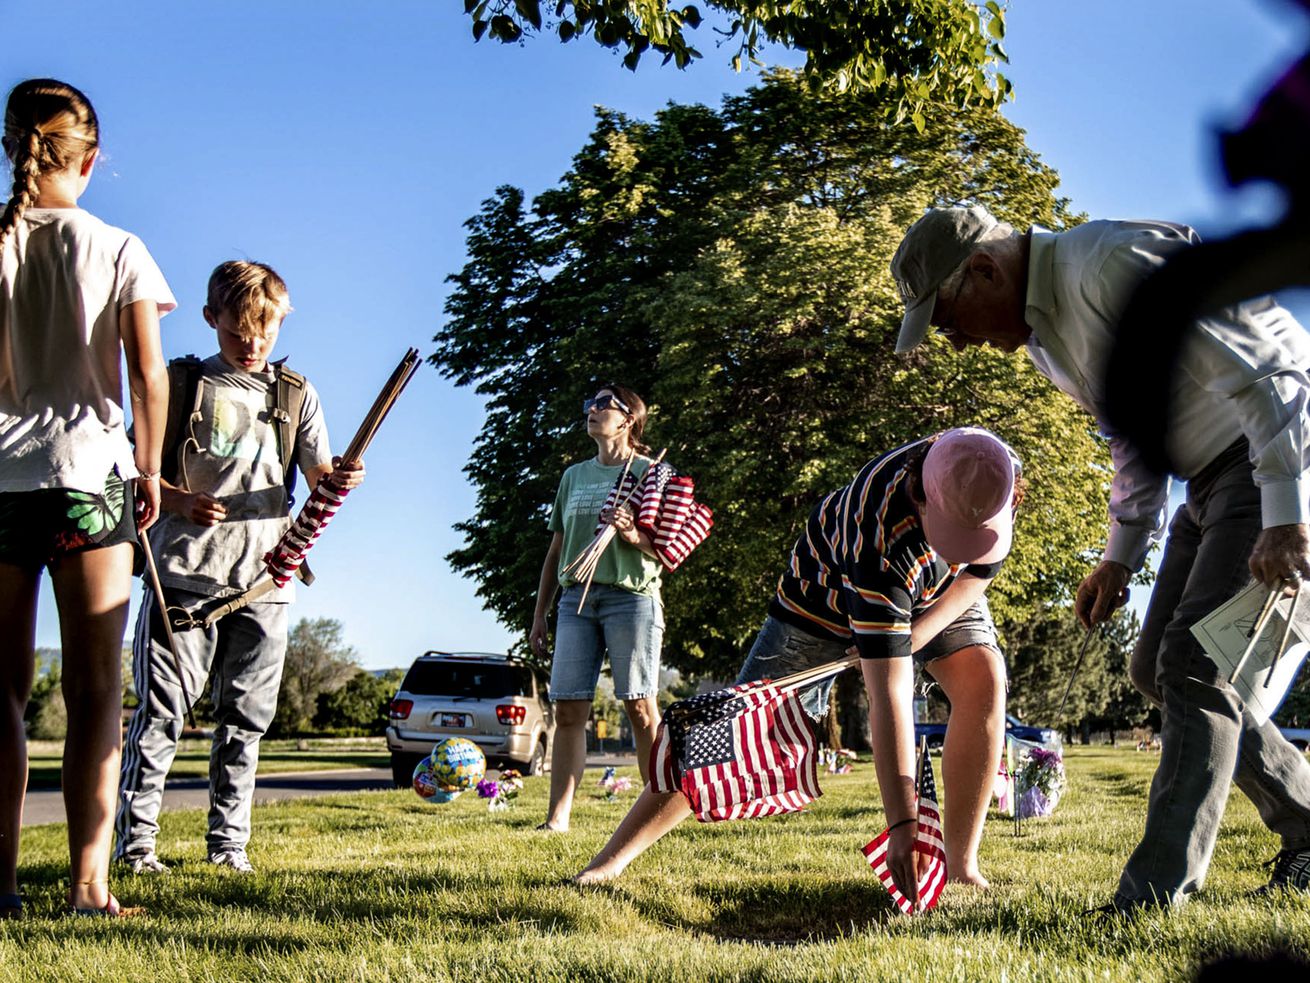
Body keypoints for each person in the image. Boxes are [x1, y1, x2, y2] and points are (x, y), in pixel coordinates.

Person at [891, 204, 1310, 908]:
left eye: (948, 319)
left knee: (1196, 666)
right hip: (1207, 479)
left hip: (1270, 457)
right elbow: (1135, 437)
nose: (956, 343)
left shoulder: (1109, 265)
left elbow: (1269, 375)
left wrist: (1288, 514)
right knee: (1154, 667)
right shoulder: (1046, 339)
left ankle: (1149, 899)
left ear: (988, 269)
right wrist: (1119, 558)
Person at [576, 428, 1021, 909]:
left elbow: (977, 572)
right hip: (821, 601)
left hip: (940, 594)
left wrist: (918, 632)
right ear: (921, 496)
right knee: (730, 728)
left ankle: (960, 866)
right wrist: (902, 824)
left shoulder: (994, 475)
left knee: (985, 679)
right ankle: (610, 861)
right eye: (951, 534)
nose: (958, 547)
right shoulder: (876, 530)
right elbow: (889, 695)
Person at [113, 260, 364, 874]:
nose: (252, 345)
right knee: (162, 715)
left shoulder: (296, 394)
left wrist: (339, 478)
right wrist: (176, 501)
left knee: (245, 722)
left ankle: (229, 847)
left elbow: (315, 477)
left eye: (265, 331)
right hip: (184, 577)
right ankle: (137, 845)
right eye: (237, 332)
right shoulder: (179, 386)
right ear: (210, 320)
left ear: (280, 322)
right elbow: (126, 475)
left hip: (267, 583)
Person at [0, 79, 172, 917]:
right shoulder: (118, 245)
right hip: (85, 481)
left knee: (2, 692)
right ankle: (87, 883)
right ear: (91, 159)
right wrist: (147, 467)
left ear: (13, 149)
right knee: (96, 688)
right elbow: (147, 372)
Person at [530, 384, 666, 832]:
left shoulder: (651, 473)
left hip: (631, 598)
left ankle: (657, 812)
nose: (593, 409)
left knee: (640, 708)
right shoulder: (574, 476)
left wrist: (632, 536)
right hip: (576, 600)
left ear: (629, 419)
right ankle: (557, 819)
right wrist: (540, 615)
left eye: (605, 404)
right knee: (568, 710)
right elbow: (555, 552)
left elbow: (668, 548)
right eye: (591, 402)